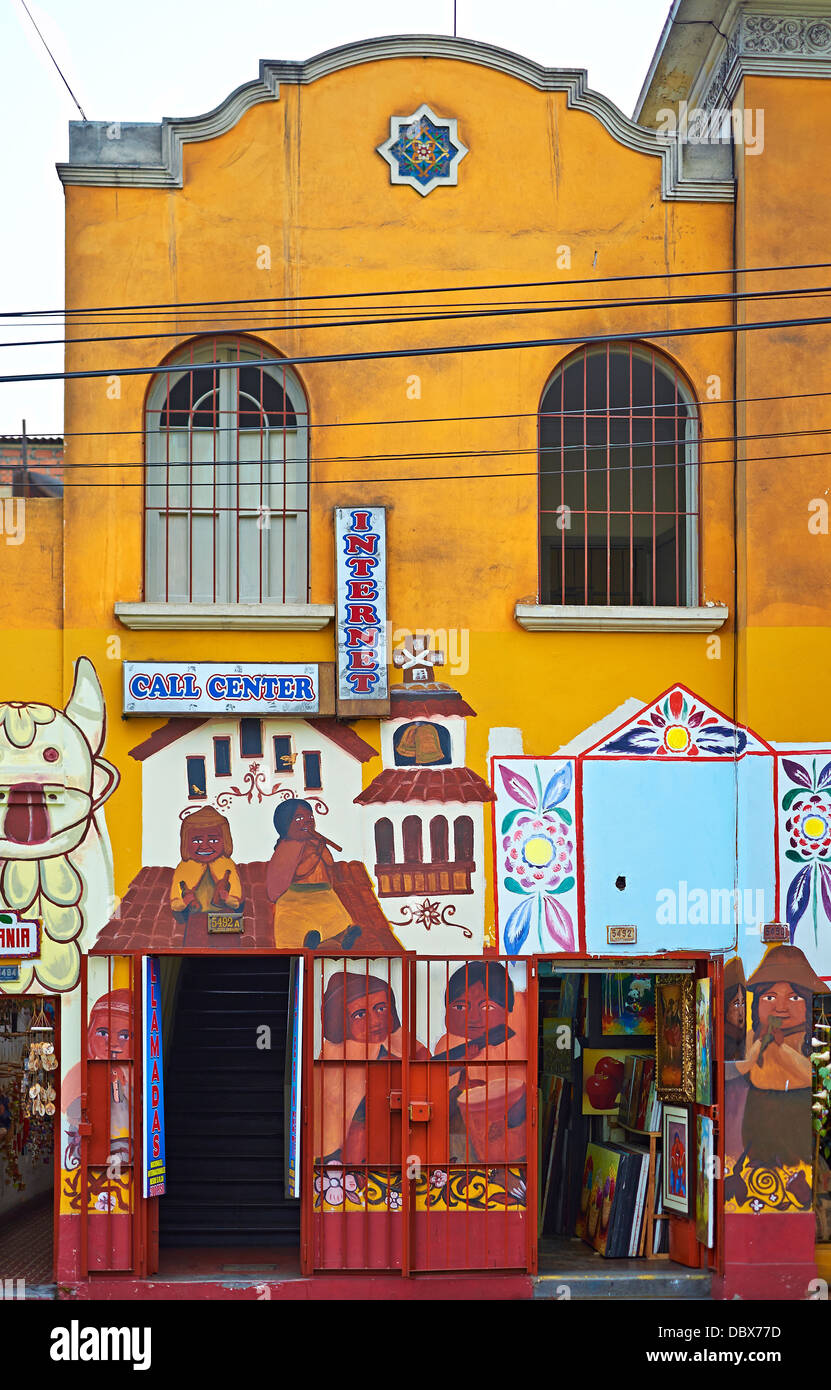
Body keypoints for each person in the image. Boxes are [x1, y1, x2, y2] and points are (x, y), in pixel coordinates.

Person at [725, 944, 829, 1208]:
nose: (780, 1007)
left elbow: (812, 1076)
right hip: (754, 1143)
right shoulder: (750, 1039)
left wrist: (779, 1047)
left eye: (794, 998)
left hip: (798, 1144)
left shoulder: (812, 1044)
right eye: (769, 997)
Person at [315, 971, 427, 1164]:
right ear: (342, 1021)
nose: (375, 1021)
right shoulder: (335, 1053)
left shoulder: (401, 1041)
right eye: (360, 1014)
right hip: (348, 1158)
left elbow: (429, 1073)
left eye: (381, 1009)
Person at [431, 961, 527, 1164]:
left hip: (502, 1143)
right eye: (460, 1006)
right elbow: (431, 1083)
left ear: (507, 1010)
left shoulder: (512, 1044)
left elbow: (519, 1096)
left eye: (487, 1007)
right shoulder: (446, 1044)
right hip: (457, 1139)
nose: (473, 1017)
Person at [266, 799, 361, 951]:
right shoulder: (287, 847)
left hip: (322, 893)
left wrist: (321, 847)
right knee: (299, 925)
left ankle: (343, 936)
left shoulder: (314, 842)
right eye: (299, 819)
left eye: (310, 818)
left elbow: (329, 862)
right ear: (285, 824)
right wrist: (316, 854)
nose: (307, 822)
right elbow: (301, 871)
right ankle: (309, 942)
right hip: (296, 897)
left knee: (336, 916)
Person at [170, 807, 242, 920]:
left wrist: (227, 898)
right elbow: (175, 902)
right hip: (195, 917)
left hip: (223, 917)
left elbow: (236, 900)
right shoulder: (184, 868)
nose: (204, 846)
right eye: (196, 841)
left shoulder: (227, 865)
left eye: (213, 840)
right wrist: (184, 902)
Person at [723, 956, 747, 1061]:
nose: (741, 1012)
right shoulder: (721, 1039)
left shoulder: (748, 1037)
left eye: (743, 1003)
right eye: (736, 1004)